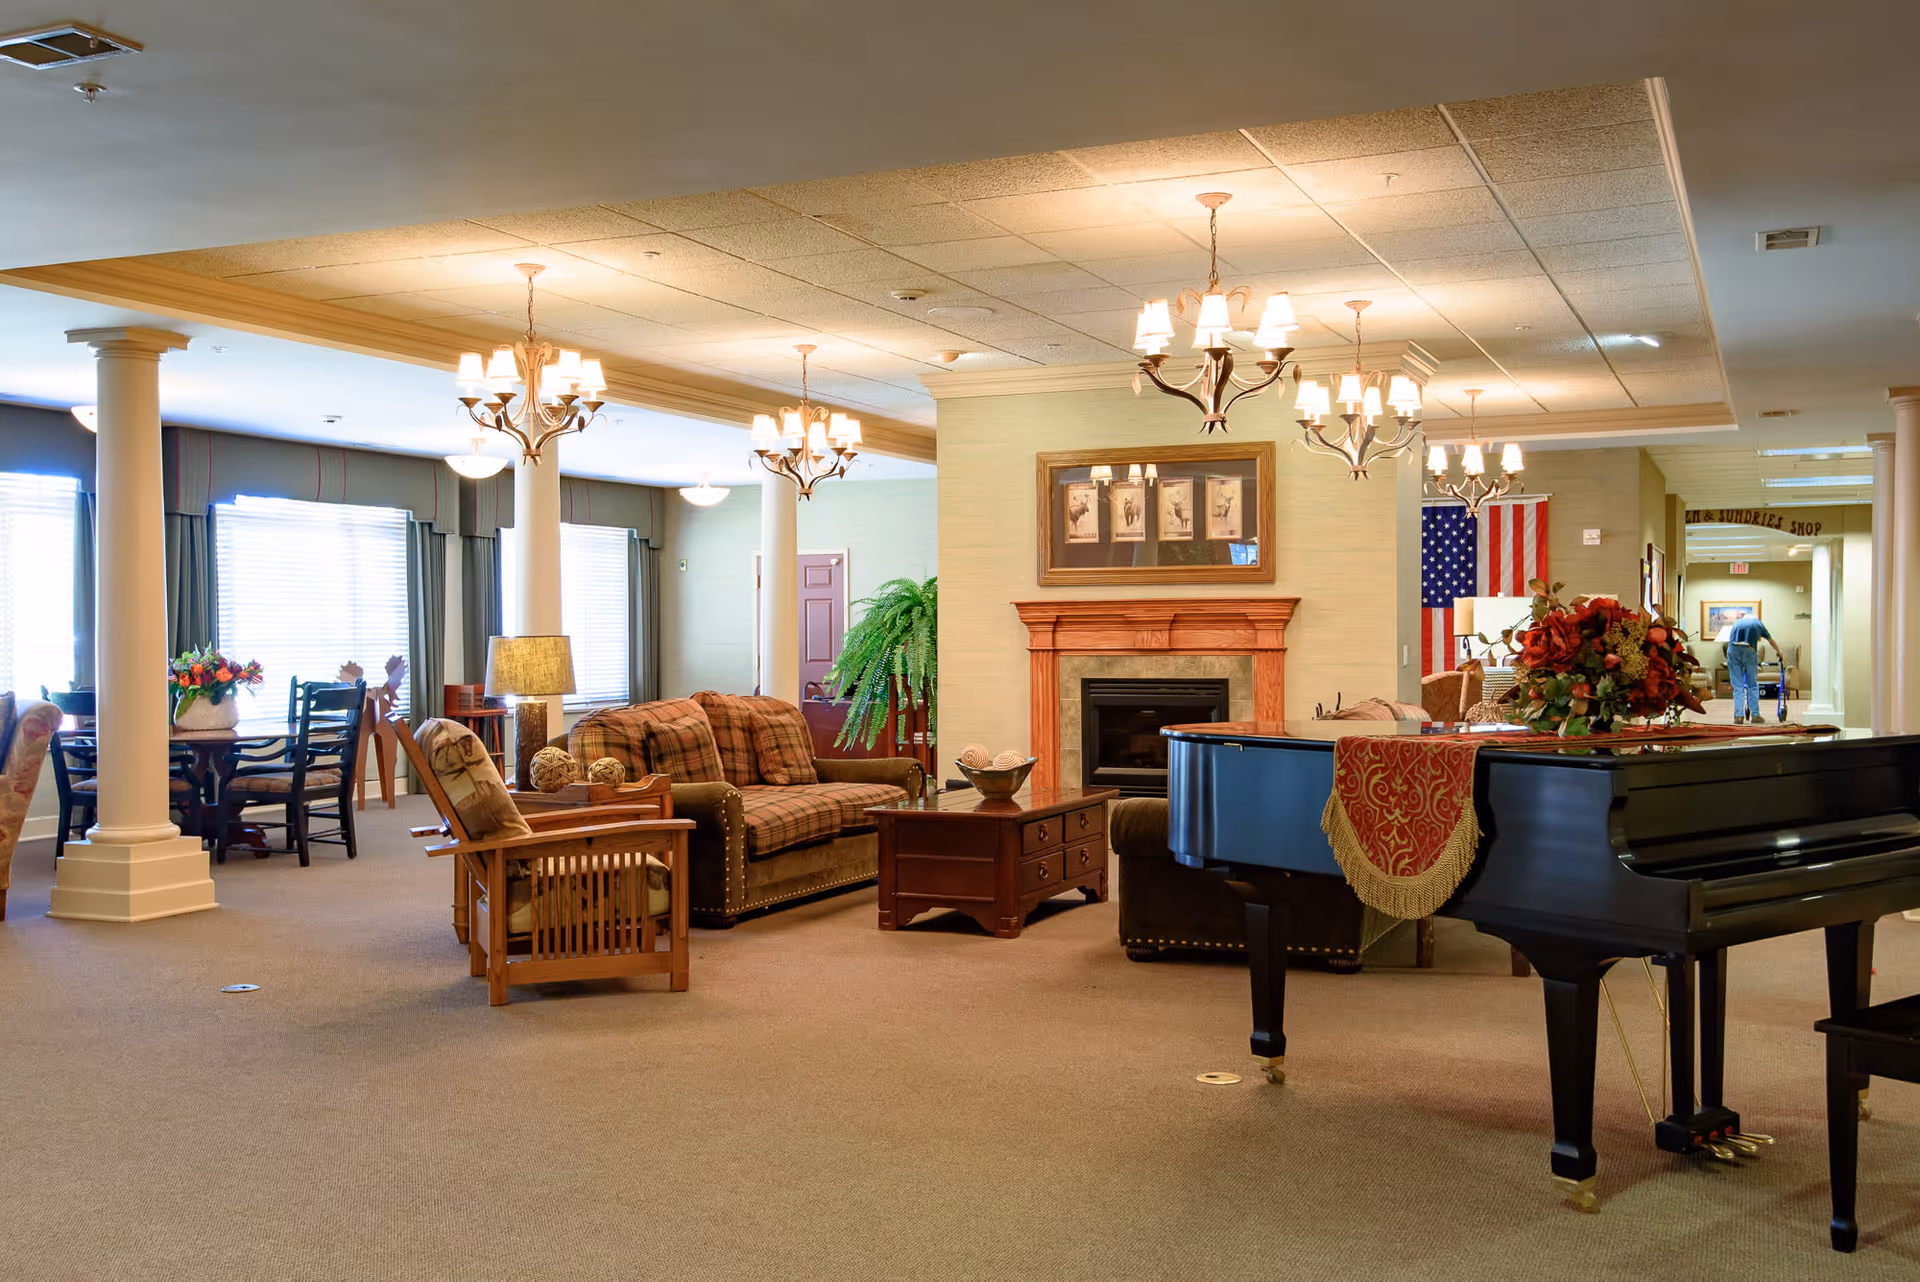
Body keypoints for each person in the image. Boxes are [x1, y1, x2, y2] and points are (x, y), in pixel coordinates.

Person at [1723, 614, 1781, 725]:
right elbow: (1770, 640)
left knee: (1738, 686)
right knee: (1752, 685)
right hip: (1749, 650)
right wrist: (1779, 652)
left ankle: (1739, 716)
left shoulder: (1737, 623)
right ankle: (1755, 715)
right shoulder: (1758, 623)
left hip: (1733, 650)